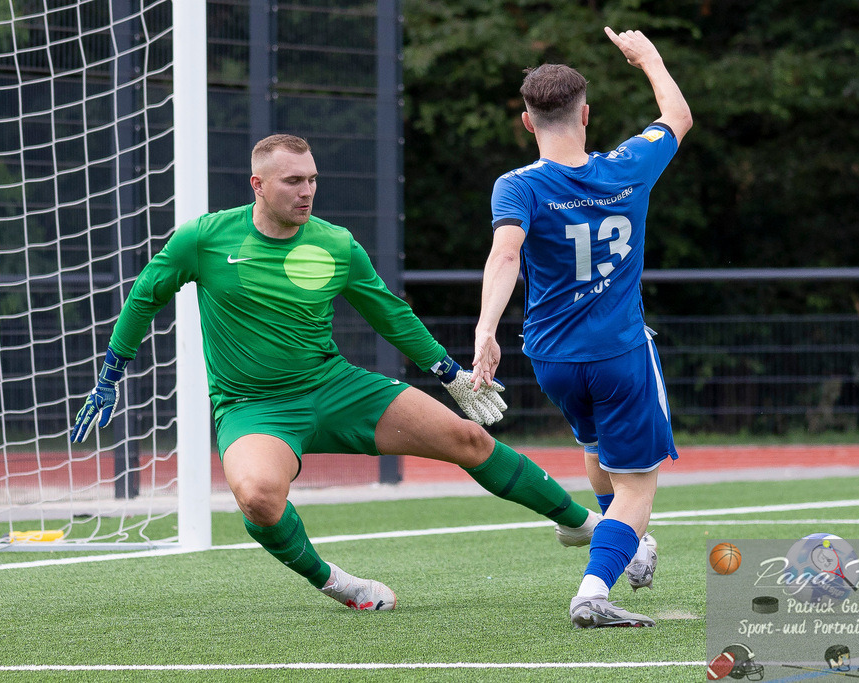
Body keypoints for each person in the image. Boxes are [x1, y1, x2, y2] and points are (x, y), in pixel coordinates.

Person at [70, 133, 601, 612]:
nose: (307, 192)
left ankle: (581, 525)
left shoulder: (335, 243)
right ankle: (337, 583)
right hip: (255, 408)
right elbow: (146, 294)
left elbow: (388, 313)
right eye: (293, 181)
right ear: (257, 185)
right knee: (257, 495)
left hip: (335, 387)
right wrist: (111, 372)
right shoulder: (204, 239)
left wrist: (448, 372)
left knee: (468, 437)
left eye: (313, 180)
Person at [471, 28, 693, 628]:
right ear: (587, 114)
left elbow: (505, 257)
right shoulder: (630, 164)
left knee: (596, 450)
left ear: (526, 121)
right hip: (619, 353)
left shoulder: (517, 185)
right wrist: (646, 56)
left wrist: (486, 331)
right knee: (639, 486)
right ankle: (594, 588)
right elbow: (677, 113)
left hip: (552, 359)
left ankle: (628, 542)